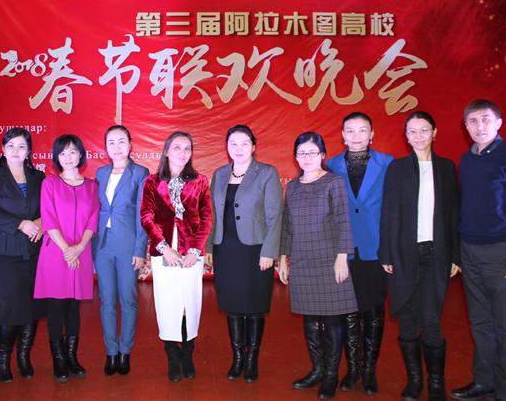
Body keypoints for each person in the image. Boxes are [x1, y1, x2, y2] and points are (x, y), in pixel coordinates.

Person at [449, 100, 506, 401]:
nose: (479, 126)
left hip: (502, 253)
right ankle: (483, 382)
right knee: (480, 323)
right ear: (466, 126)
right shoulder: (467, 159)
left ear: (499, 123)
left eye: (486, 119)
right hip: (470, 251)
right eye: (472, 121)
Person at [378, 112, 460, 401]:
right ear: (406, 136)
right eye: (412, 131)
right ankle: (414, 381)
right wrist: (386, 253)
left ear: (434, 132)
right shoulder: (397, 168)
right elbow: (388, 213)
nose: (418, 136)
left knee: (432, 320)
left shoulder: (447, 168)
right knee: (408, 320)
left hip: (436, 254)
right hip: (404, 254)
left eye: (424, 130)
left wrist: (455, 255)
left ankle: (436, 382)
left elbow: (453, 214)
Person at [279, 131, 356, 400]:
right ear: (295, 157)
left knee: (333, 320)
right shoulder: (293, 187)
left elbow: (344, 220)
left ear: (322, 155)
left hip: (330, 260)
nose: (307, 157)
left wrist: (342, 257)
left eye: (312, 153)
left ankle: (331, 376)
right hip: (303, 260)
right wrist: (283, 258)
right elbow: (287, 226)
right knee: (310, 319)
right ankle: (318, 370)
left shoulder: (334, 182)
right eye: (302, 153)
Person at [207, 124, 283, 383]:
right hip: (225, 250)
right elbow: (212, 215)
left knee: (254, 306)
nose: (238, 149)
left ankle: (252, 359)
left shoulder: (267, 173)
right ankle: (238, 357)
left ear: (254, 146)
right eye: (233, 144)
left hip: (255, 250)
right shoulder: (219, 174)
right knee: (232, 306)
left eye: (244, 143)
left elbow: (275, 216)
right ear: (226, 147)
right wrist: (209, 247)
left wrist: (269, 251)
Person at [326, 112, 393, 395]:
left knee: (374, 310)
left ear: (371, 134)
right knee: (348, 312)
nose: (356, 136)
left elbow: (394, 208)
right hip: (342, 249)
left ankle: (369, 371)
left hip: (375, 247)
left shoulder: (388, 164)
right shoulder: (330, 165)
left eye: (362, 130)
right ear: (342, 135)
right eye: (350, 130)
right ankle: (352, 369)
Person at [140, 131, 212, 383]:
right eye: (177, 147)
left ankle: (188, 353)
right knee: (168, 303)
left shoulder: (200, 181)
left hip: (191, 252)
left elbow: (207, 218)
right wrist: (164, 248)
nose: (183, 152)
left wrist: (194, 251)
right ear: (166, 151)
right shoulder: (152, 182)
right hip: (164, 252)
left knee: (189, 303)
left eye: (187, 148)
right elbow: (146, 217)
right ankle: (172, 355)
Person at [0, 127, 45, 383]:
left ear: (29, 151)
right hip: (5, 252)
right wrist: (20, 224)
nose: (16, 151)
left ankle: (24, 357)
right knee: (10, 307)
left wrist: (40, 221)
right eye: (11, 146)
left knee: (32, 306)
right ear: (3, 149)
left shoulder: (38, 176)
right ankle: (2, 359)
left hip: (34, 251)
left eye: (22, 146)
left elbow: (49, 207)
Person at [34, 134, 99, 382]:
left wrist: (79, 248)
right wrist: (66, 249)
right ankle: (58, 360)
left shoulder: (92, 186)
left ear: (81, 154)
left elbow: (93, 220)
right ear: (56, 157)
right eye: (63, 153)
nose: (68, 157)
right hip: (55, 252)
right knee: (56, 307)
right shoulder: (50, 184)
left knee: (73, 307)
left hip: (81, 252)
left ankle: (72, 357)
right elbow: (49, 219)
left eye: (73, 152)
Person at [94, 126, 149, 376]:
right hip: (103, 246)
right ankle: (111, 351)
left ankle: (125, 350)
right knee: (106, 301)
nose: (116, 147)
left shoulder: (139, 173)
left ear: (130, 145)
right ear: (105, 147)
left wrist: (140, 249)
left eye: (121, 141)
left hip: (128, 246)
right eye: (111, 142)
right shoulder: (101, 173)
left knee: (128, 300)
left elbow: (143, 214)